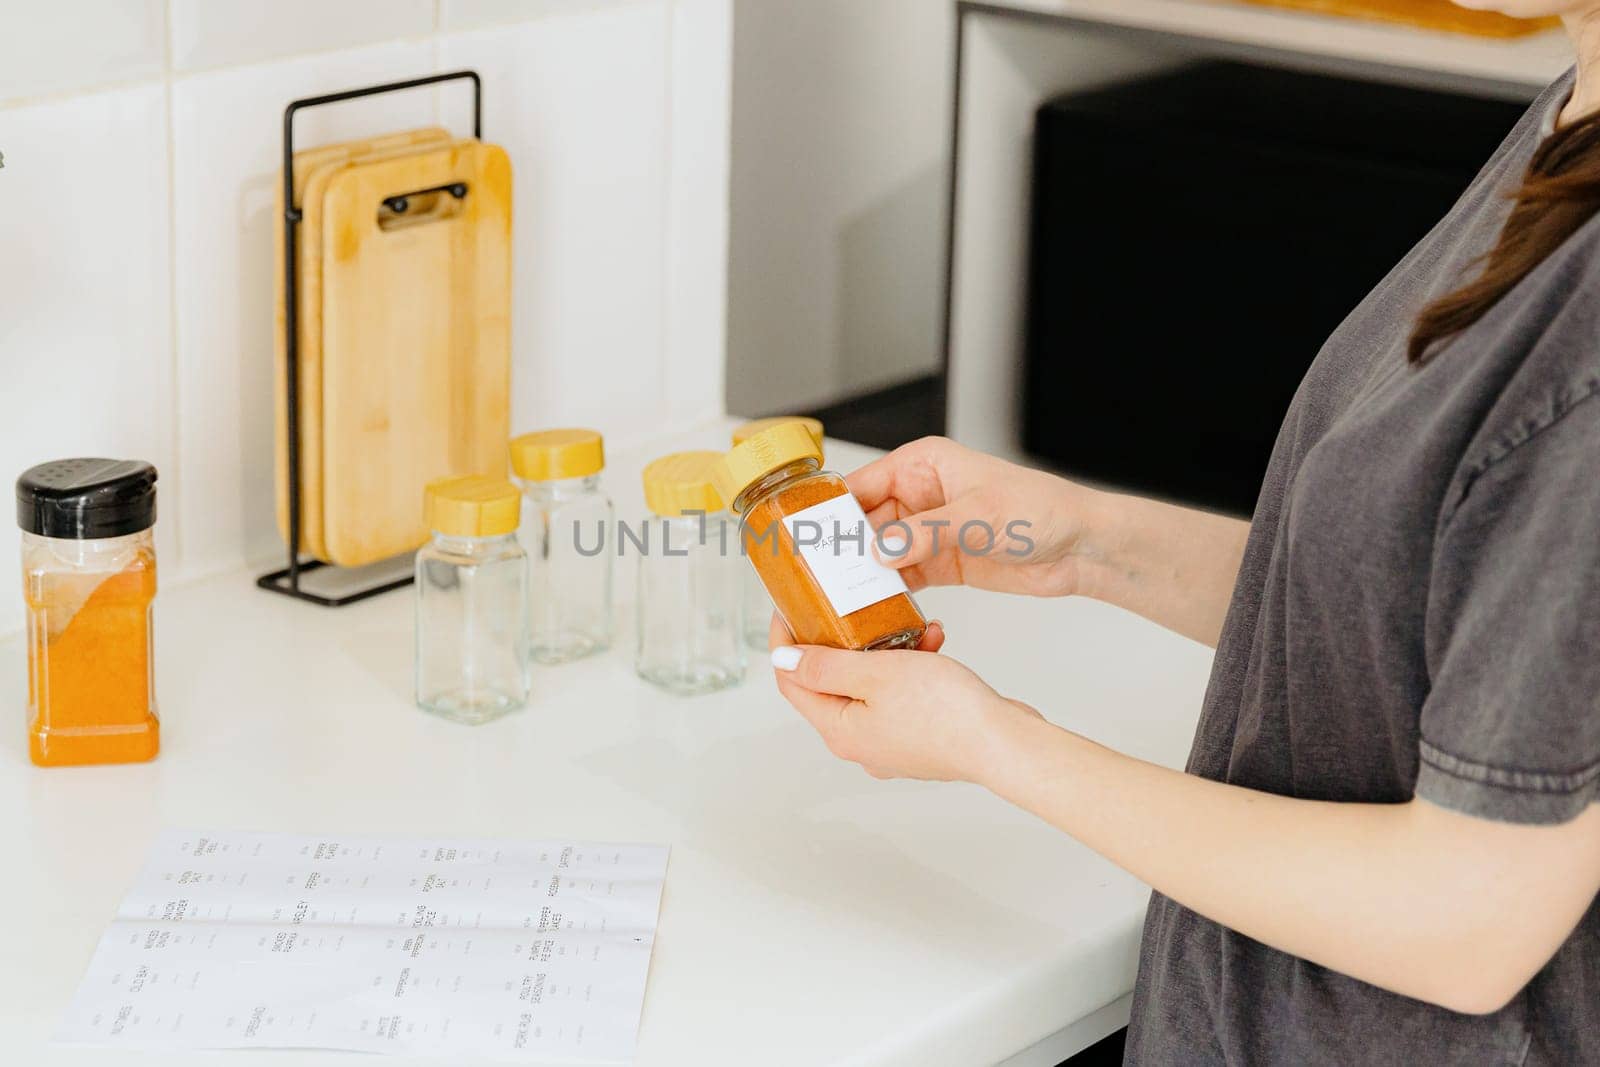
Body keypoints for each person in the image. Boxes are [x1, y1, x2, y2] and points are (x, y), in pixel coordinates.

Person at [766, 2, 1600, 1062]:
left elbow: (1464, 920)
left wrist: (988, 740)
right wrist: (1083, 541)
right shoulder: (1571, 115)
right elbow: (1423, 615)